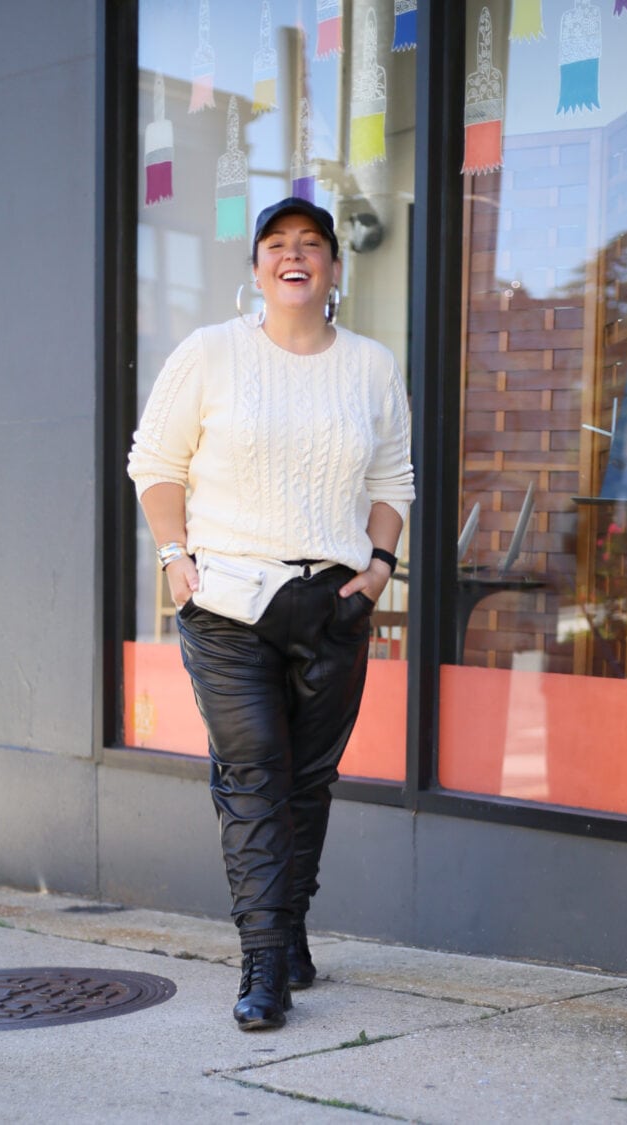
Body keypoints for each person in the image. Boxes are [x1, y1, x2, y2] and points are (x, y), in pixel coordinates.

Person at [128, 197, 415, 1031]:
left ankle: (289, 928)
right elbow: (155, 460)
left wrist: (378, 570)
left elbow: (393, 479)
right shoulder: (211, 353)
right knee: (255, 777)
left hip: (331, 602)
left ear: (332, 268)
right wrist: (175, 560)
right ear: (256, 268)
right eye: (278, 244)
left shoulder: (369, 364)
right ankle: (263, 966)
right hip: (226, 603)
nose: (296, 255)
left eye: (312, 245)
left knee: (309, 781)